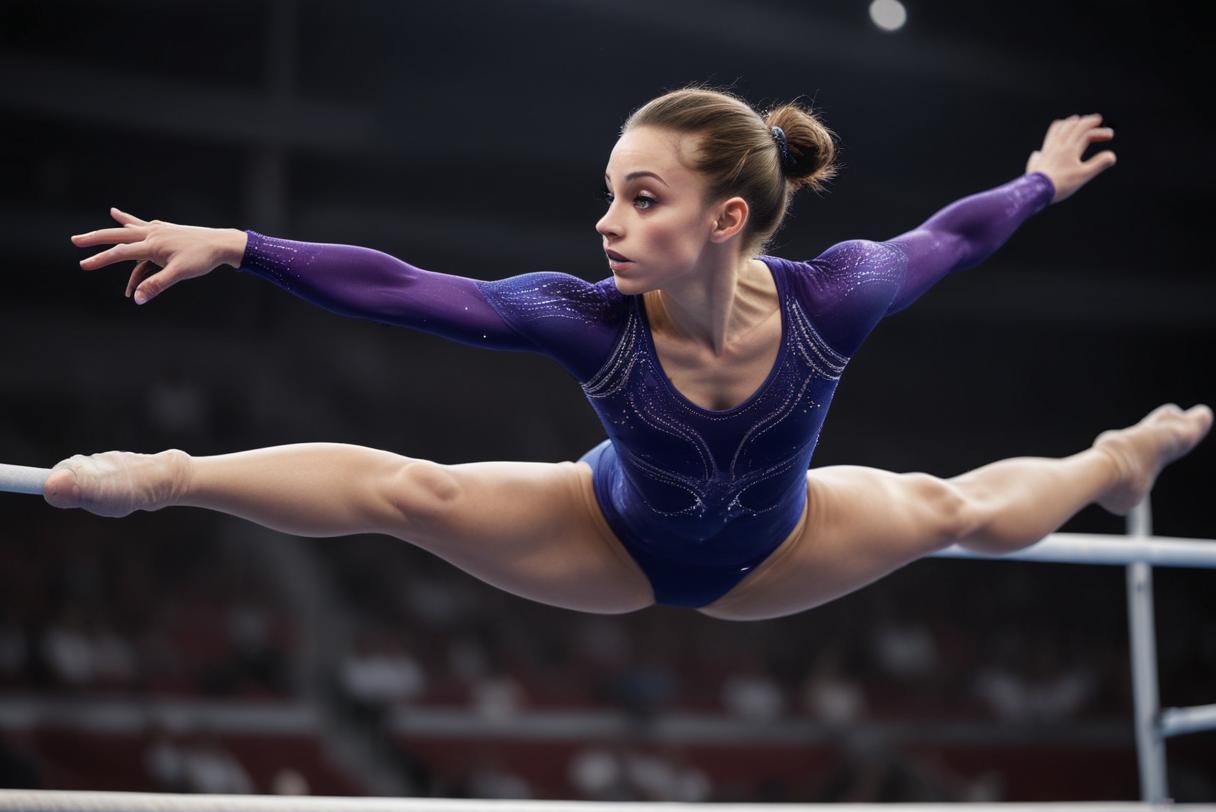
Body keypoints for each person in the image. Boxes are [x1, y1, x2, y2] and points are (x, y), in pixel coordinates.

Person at [48, 86, 1211, 621]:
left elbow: (950, 238)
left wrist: (1041, 180)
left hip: (785, 549)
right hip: (601, 535)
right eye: (606, 192)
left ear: (726, 220)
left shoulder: (833, 300)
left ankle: (1118, 460)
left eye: (639, 197)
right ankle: (167, 476)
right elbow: (409, 288)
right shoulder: (586, 317)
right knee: (416, 492)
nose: (605, 221)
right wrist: (239, 243)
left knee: (962, 513)